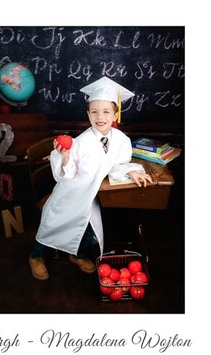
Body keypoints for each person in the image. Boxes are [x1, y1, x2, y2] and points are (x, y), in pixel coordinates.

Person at [29, 76, 152, 280]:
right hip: (70, 194)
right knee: (53, 226)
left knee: (91, 233)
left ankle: (76, 255)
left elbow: (118, 165)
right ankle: (36, 256)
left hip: (91, 195)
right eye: (94, 111)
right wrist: (65, 156)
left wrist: (131, 171)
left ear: (115, 114)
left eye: (106, 111)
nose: (99, 116)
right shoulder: (81, 142)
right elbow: (65, 175)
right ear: (88, 114)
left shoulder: (121, 140)